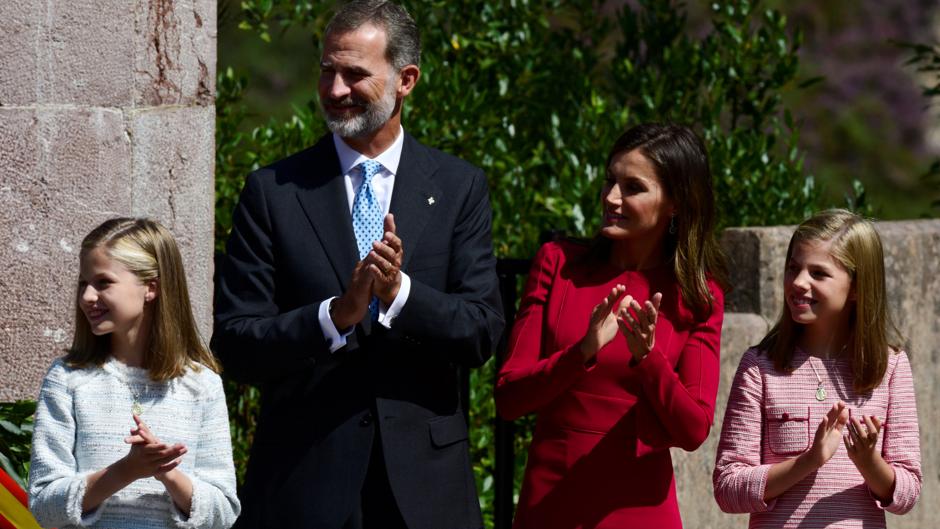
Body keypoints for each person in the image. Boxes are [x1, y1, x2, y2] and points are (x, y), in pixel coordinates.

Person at [210, 1, 504, 528]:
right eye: (327, 70)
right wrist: (335, 316)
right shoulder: (273, 192)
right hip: (304, 484)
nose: (336, 89)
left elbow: (481, 330)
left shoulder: (459, 188)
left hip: (424, 493)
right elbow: (236, 341)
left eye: (354, 74)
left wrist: (399, 295)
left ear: (405, 79)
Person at [495, 123, 728, 528]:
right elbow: (509, 397)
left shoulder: (697, 296)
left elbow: (693, 430)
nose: (611, 197)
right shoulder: (557, 263)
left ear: (675, 203)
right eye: (609, 181)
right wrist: (581, 352)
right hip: (550, 508)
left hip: (640, 513)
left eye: (633, 187)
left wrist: (648, 359)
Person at [713, 209, 922, 528]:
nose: (798, 283)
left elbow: (908, 493)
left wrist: (869, 463)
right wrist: (808, 461)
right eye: (793, 268)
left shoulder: (890, 367)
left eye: (818, 274)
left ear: (856, 288)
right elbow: (727, 488)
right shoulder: (759, 366)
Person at [28, 218, 240, 529]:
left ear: (150, 288)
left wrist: (165, 471)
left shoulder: (201, 385)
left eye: (103, 282)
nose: (87, 296)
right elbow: (44, 505)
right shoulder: (68, 379)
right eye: (82, 283)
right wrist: (125, 471)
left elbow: (223, 512)